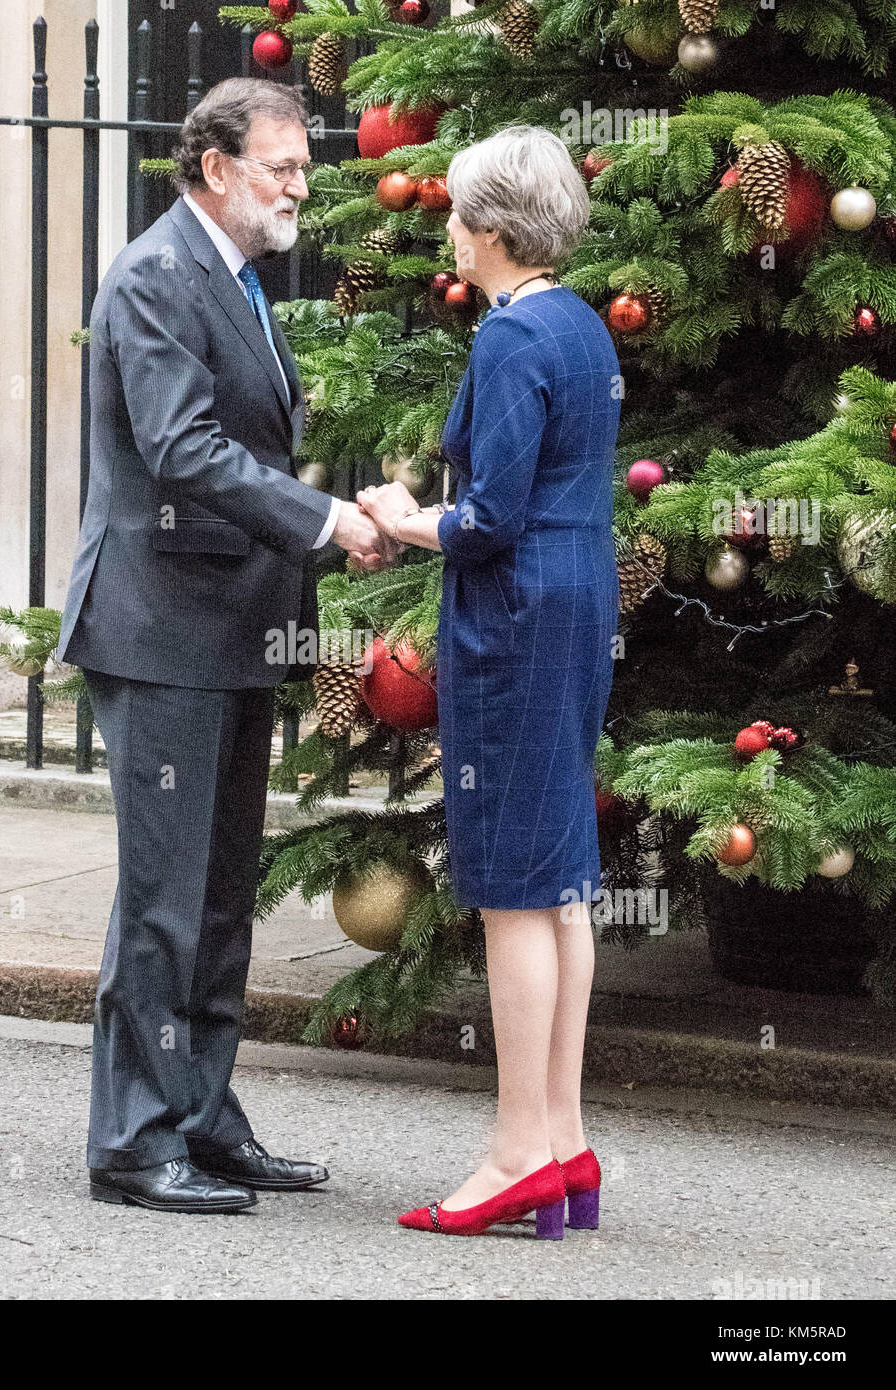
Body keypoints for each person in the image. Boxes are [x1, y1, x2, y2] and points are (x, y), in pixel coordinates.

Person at [58, 78, 394, 1215]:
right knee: (163, 896)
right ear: (213, 167)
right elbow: (183, 449)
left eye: (303, 166)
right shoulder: (157, 273)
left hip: (229, 625)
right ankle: (134, 1138)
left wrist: (328, 522)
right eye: (280, 167)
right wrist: (321, 518)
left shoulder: (235, 278)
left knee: (213, 896)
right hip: (159, 632)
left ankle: (201, 1115)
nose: (300, 185)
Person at [356, 125, 621, 1239]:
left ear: (497, 232)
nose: (448, 231)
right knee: (557, 873)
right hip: (577, 600)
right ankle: (558, 1139)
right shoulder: (582, 325)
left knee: (513, 877)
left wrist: (397, 519)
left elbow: (487, 519)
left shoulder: (512, 338)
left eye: (460, 215)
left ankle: (518, 1148)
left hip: (513, 614)